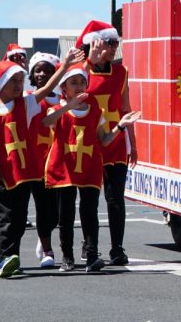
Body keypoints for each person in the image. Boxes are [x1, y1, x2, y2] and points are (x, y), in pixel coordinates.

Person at [0, 55, 76, 279]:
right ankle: (4, 257)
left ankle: (13, 257)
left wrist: (65, 66)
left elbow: (48, 87)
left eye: (21, 81)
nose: (20, 86)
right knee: (5, 216)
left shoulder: (26, 104)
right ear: (1, 84)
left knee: (19, 218)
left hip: (24, 173)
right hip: (1, 175)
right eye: (14, 81)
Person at [44, 64, 142, 272]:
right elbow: (46, 122)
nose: (79, 86)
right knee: (66, 215)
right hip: (65, 168)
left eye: (82, 82)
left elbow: (104, 140)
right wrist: (68, 106)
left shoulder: (96, 110)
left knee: (90, 212)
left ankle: (91, 255)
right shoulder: (59, 111)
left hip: (89, 166)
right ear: (64, 88)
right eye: (74, 83)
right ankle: (67, 257)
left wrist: (121, 125)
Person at [77, 20, 137, 267]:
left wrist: (133, 144)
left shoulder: (121, 73)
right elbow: (71, 94)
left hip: (116, 141)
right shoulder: (81, 71)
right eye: (109, 43)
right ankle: (89, 246)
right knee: (89, 198)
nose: (114, 48)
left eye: (116, 43)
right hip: (89, 141)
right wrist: (89, 61)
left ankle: (117, 248)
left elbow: (126, 108)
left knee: (115, 198)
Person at [27, 51, 66, 266]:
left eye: (48, 71)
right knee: (42, 207)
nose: (42, 74)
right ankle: (49, 248)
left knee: (58, 212)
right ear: (31, 75)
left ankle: (45, 238)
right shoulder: (28, 99)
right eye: (38, 70)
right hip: (37, 163)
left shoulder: (64, 100)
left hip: (60, 162)